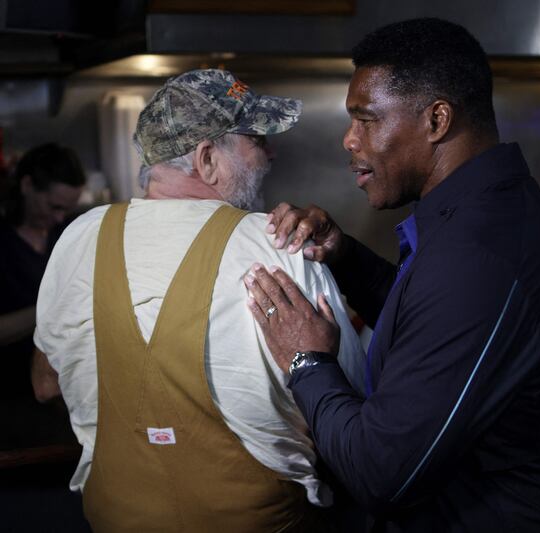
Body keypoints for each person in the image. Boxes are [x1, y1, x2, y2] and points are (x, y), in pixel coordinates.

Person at [244, 18, 540, 532]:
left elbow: (382, 473)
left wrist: (306, 359)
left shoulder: (481, 251)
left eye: (366, 119)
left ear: (437, 120)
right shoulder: (484, 215)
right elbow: (431, 324)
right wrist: (345, 256)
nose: (349, 140)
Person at [32, 68, 364, 532]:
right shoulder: (279, 243)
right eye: (255, 139)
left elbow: (45, 383)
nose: (270, 152)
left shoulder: (80, 237)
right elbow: (353, 402)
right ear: (207, 159)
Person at [0, 142, 84, 450]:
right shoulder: (5, 245)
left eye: (68, 208)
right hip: (11, 399)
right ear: (27, 186)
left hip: (65, 394)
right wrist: (51, 308)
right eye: (54, 206)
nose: (60, 217)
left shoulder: (65, 235)